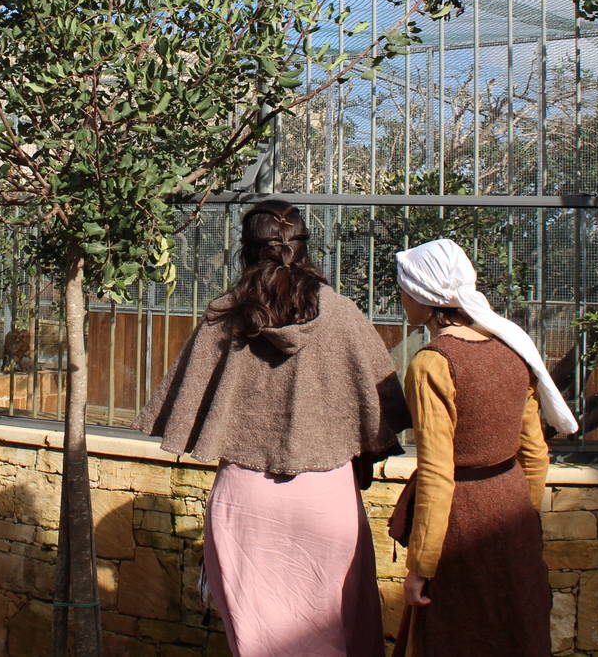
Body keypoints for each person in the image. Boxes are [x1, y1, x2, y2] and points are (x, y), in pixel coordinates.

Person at [135, 199, 408, 657]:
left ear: (247, 250)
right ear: (303, 247)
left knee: (257, 639)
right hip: (326, 497)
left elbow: (186, 404)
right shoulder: (342, 315)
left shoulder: (224, 317)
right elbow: (382, 406)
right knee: (334, 634)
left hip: (246, 499)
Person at [391, 238, 579, 657]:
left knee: (455, 636)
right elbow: (534, 453)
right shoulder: (511, 349)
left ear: (424, 295)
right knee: (515, 634)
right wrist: (519, 518)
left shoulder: (432, 363)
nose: (401, 297)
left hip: (463, 522)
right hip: (512, 511)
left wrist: (421, 566)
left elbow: (439, 473)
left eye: (404, 288)